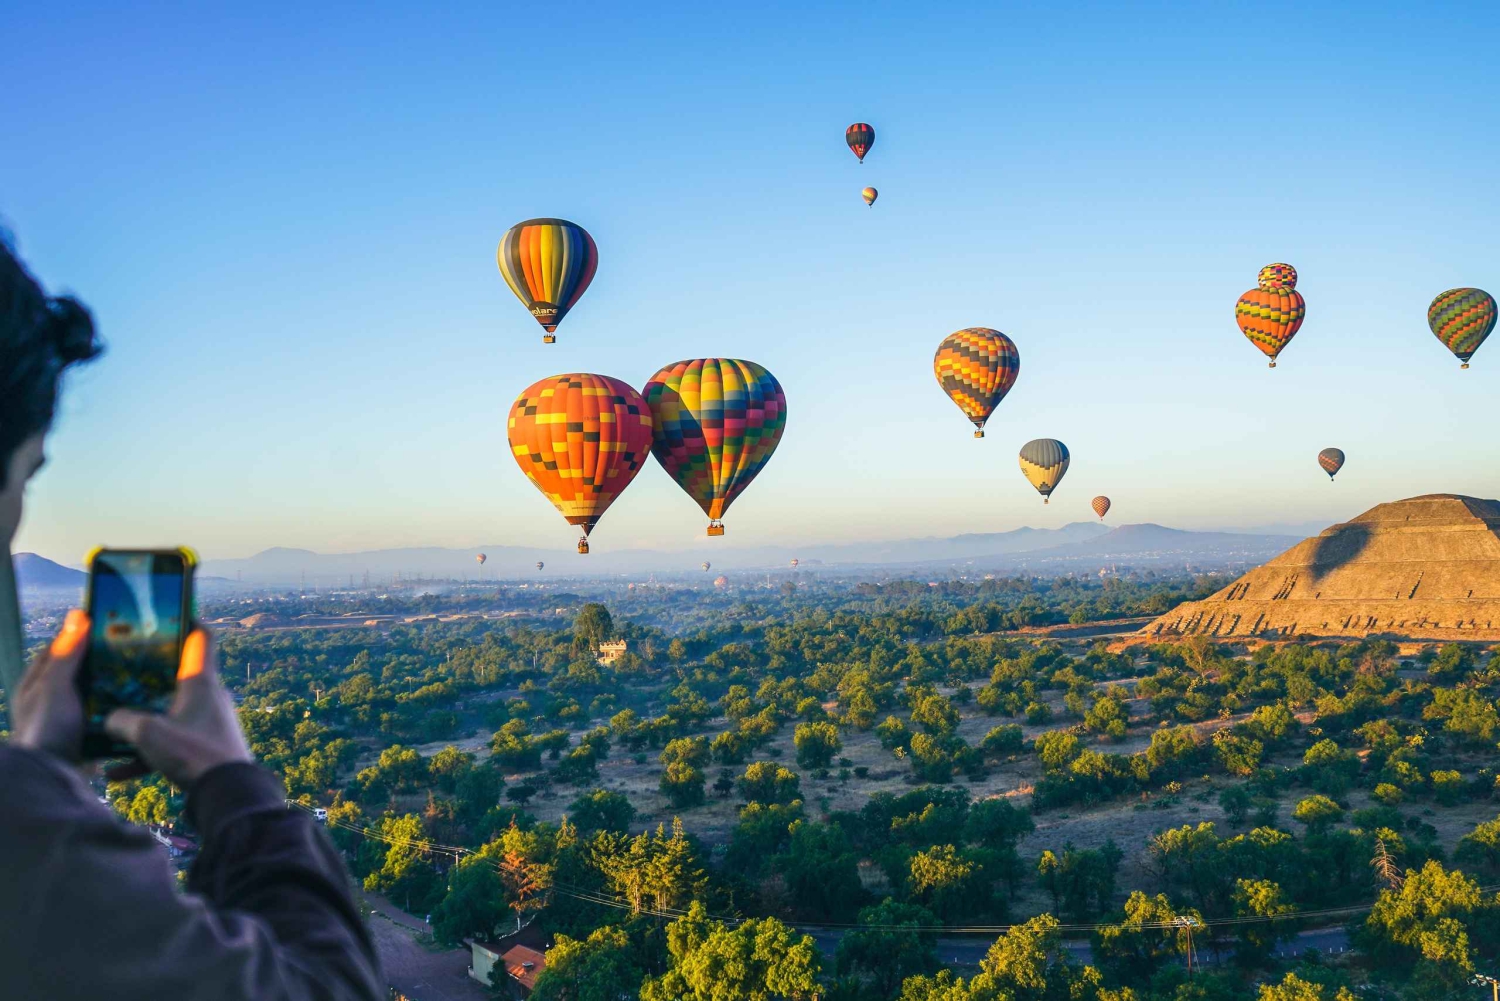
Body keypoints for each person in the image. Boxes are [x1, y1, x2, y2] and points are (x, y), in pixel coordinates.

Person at [0, 237, 383, 999]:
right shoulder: (26, 851)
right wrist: (229, 781)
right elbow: (326, 984)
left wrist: (40, 774)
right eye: (24, 477)